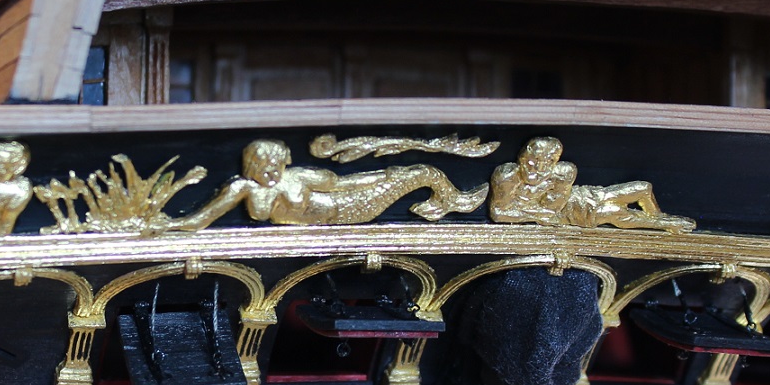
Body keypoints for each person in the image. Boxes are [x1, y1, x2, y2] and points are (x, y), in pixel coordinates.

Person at [170, 138, 491, 230]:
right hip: (337, 215)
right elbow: (204, 217)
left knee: (419, 172)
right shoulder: (242, 188)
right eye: (265, 167)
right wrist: (170, 224)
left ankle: (455, 202)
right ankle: (449, 201)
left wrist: (382, 176)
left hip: (352, 207)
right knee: (419, 173)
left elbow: (341, 183)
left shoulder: (297, 176)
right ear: (251, 165)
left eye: (277, 166)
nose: (272, 173)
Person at [488, 136, 694, 232]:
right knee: (616, 213)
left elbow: (553, 205)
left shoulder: (564, 171)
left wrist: (541, 211)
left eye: (548, 162)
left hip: (585, 196)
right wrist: (537, 214)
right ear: (522, 158)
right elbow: (498, 213)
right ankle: (667, 224)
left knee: (643, 188)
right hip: (573, 216)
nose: (539, 168)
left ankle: (659, 217)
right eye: (533, 161)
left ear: (555, 162)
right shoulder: (508, 175)